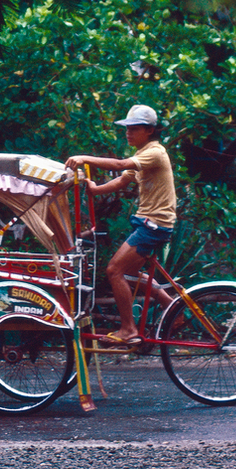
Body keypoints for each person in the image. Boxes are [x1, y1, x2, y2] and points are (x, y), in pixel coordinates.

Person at [66, 104, 176, 345]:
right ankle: (172, 307)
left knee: (114, 270)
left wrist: (84, 158)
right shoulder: (143, 155)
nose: (128, 133)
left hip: (153, 225)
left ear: (149, 131)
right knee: (129, 273)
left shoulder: (154, 152)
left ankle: (128, 329)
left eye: (134, 129)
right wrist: (95, 190)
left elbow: (119, 166)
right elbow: (121, 181)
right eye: (127, 128)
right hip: (150, 224)